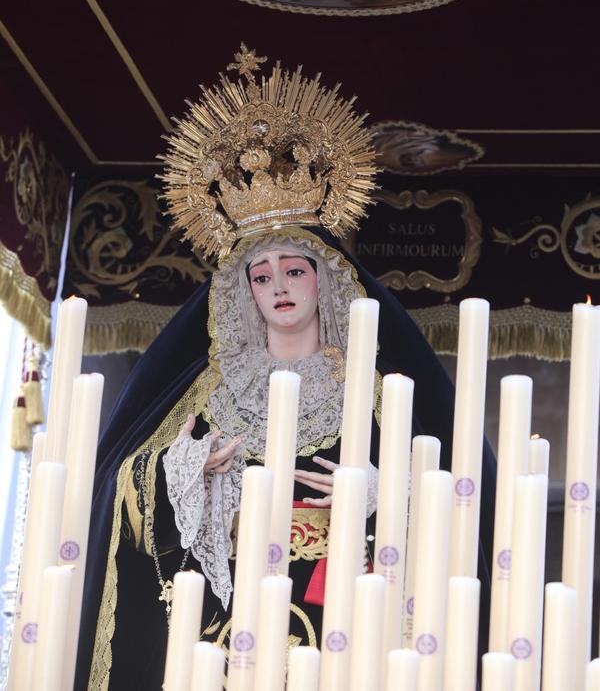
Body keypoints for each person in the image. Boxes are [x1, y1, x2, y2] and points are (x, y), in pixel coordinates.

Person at [75, 47, 496, 690]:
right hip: (225, 625)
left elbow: (463, 502)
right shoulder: (207, 389)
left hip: (349, 626)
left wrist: (389, 498)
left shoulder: (382, 396)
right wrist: (184, 470)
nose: (279, 286)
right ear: (242, 289)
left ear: (325, 280)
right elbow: (121, 490)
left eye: (295, 270)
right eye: (262, 273)